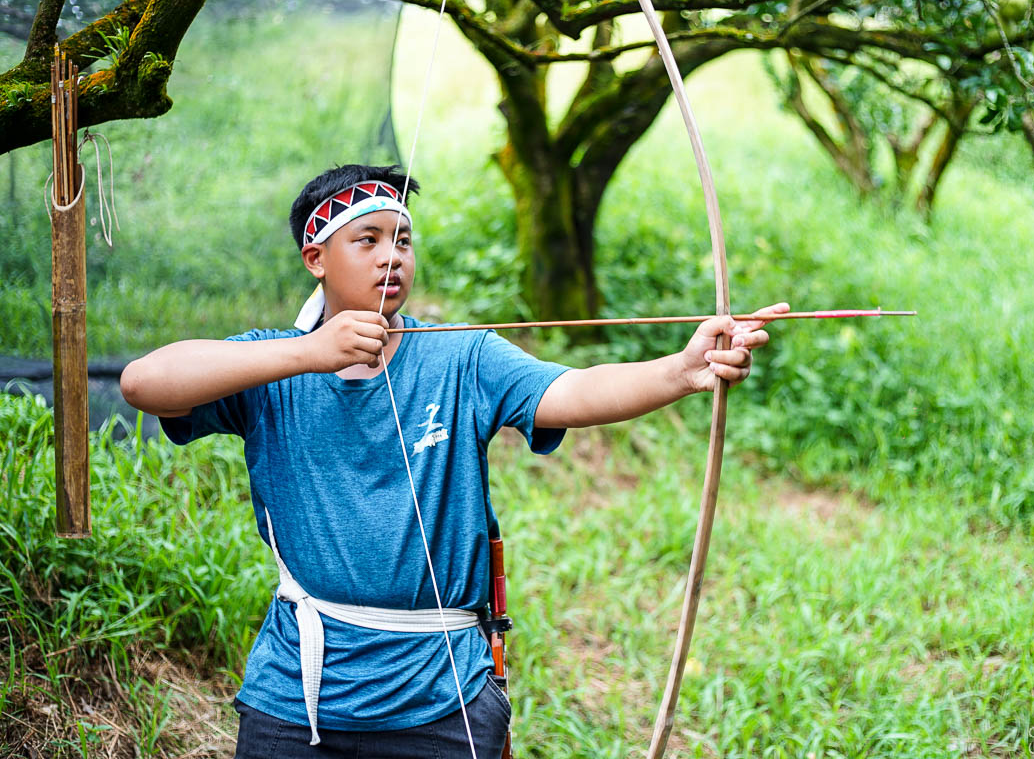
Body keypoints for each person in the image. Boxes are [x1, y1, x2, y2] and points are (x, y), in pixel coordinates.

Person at [119, 163, 786, 758]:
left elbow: (573, 391)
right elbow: (143, 384)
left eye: (403, 240)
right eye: (369, 239)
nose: (392, 256)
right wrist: (309, 354)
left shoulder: (462, 356)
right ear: (315, 258)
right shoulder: (267, 364)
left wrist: (681, 369)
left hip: (440, 694)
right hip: (298, 693)